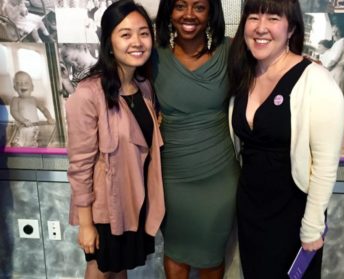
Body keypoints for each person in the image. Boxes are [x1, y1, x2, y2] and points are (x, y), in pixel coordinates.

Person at [228, 0, 344, 278]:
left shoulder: (315, 80)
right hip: (251, 209)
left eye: (273, 18)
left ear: (291, 28)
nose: (261, 28)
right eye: (254, 17)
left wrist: (312, 227)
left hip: (294, 215)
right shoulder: (245, 74)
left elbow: (326, 165)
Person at [66, 1, 165, 278]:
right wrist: (86, 225)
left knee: (120, 269)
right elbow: (80, 166)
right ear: (109, 42)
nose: (137, 41)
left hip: (133, 201)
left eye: (144, 33)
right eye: (126, 34)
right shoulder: (88, 94)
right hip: (105, 210)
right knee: (100, 270)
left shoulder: (145, 88)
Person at [153, 0, 241, 278]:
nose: (189, 15)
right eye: (180, 6)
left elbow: (273, 66)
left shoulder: (231, 51)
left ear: (211, 13)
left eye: (199, 7)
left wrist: (305, 64)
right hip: (172, 177)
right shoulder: (152, 56)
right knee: (175, 251)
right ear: (169, 12)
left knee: (212, 256)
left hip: (219, 177)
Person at [10, 71, 55, 147]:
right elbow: (14, 112)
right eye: (18, 83)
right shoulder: (15, 100)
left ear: (32, 87)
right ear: (15, 87)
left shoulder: (34, 100)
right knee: (17, 145)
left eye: (26, 82)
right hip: (22, 128)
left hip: (34, 128)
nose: (22, 85)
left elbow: (43, 109)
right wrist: (23, 120)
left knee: (33, 145)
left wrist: (49, 118)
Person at [323, 23, 344, 101]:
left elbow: (333, 61)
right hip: (336, 71)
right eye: (333, 31)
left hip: (337, 73)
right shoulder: (339, 43)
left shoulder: (342, 42)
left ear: (341, 32)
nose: (334, 34)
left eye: (337, 31)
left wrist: (324, 70)